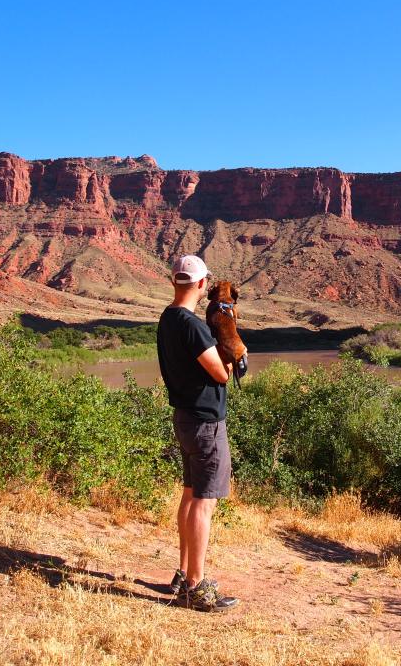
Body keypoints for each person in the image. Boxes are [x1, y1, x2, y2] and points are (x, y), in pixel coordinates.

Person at [156, 254, 240, 612]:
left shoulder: (167, 318)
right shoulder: (192, 325)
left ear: (174, 281)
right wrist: (237, 351)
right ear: (203, 285)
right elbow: (220, 373)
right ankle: (195, 587)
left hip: (185, 418)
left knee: (190, 497)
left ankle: (183, 573)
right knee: (204, 503)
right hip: (206, 422)